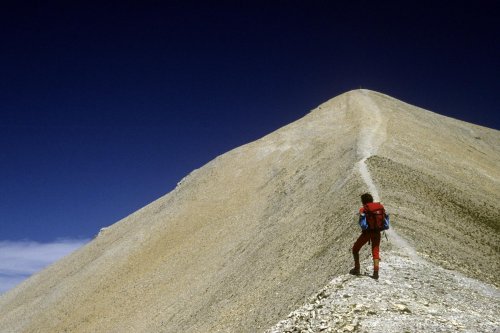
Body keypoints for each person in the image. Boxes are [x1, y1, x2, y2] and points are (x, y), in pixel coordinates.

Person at [349, 193, 388, 279]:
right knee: (375, 251)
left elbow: (362, 223)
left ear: (363, 201)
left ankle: (357, 268)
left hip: (367, 233)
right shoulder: (379, 207)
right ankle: (376, 272)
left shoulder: (364, 209)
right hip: (377, 232)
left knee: (355, 249)